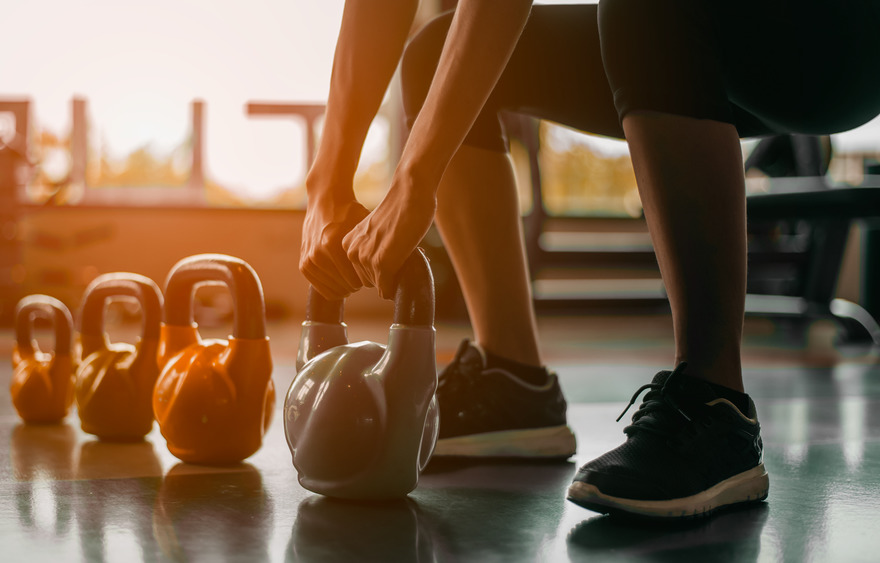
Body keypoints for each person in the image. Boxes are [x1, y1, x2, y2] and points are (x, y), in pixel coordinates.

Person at [299, 0, 880, 519]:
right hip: (694, 32)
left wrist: (414, 179)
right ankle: (513, 383)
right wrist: (326, 186)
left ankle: (716, 407)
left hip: (840, 36)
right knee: (433, 55)